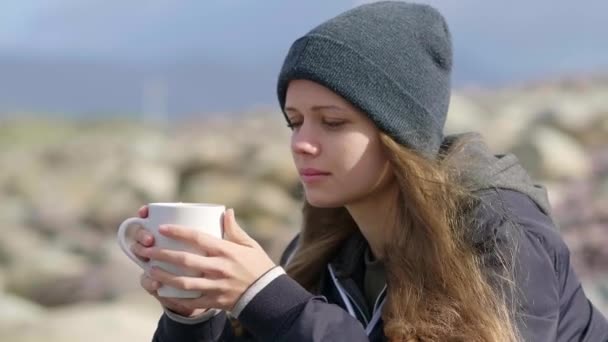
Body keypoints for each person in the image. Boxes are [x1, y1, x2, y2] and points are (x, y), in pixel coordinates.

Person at [130, 2, 608, 341]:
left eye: (333, 122)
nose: (302, 143)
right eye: (294, 122)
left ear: (398, 134)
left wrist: (267, 296)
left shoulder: (500, 231)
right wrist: (193, 315)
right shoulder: (327, 247)